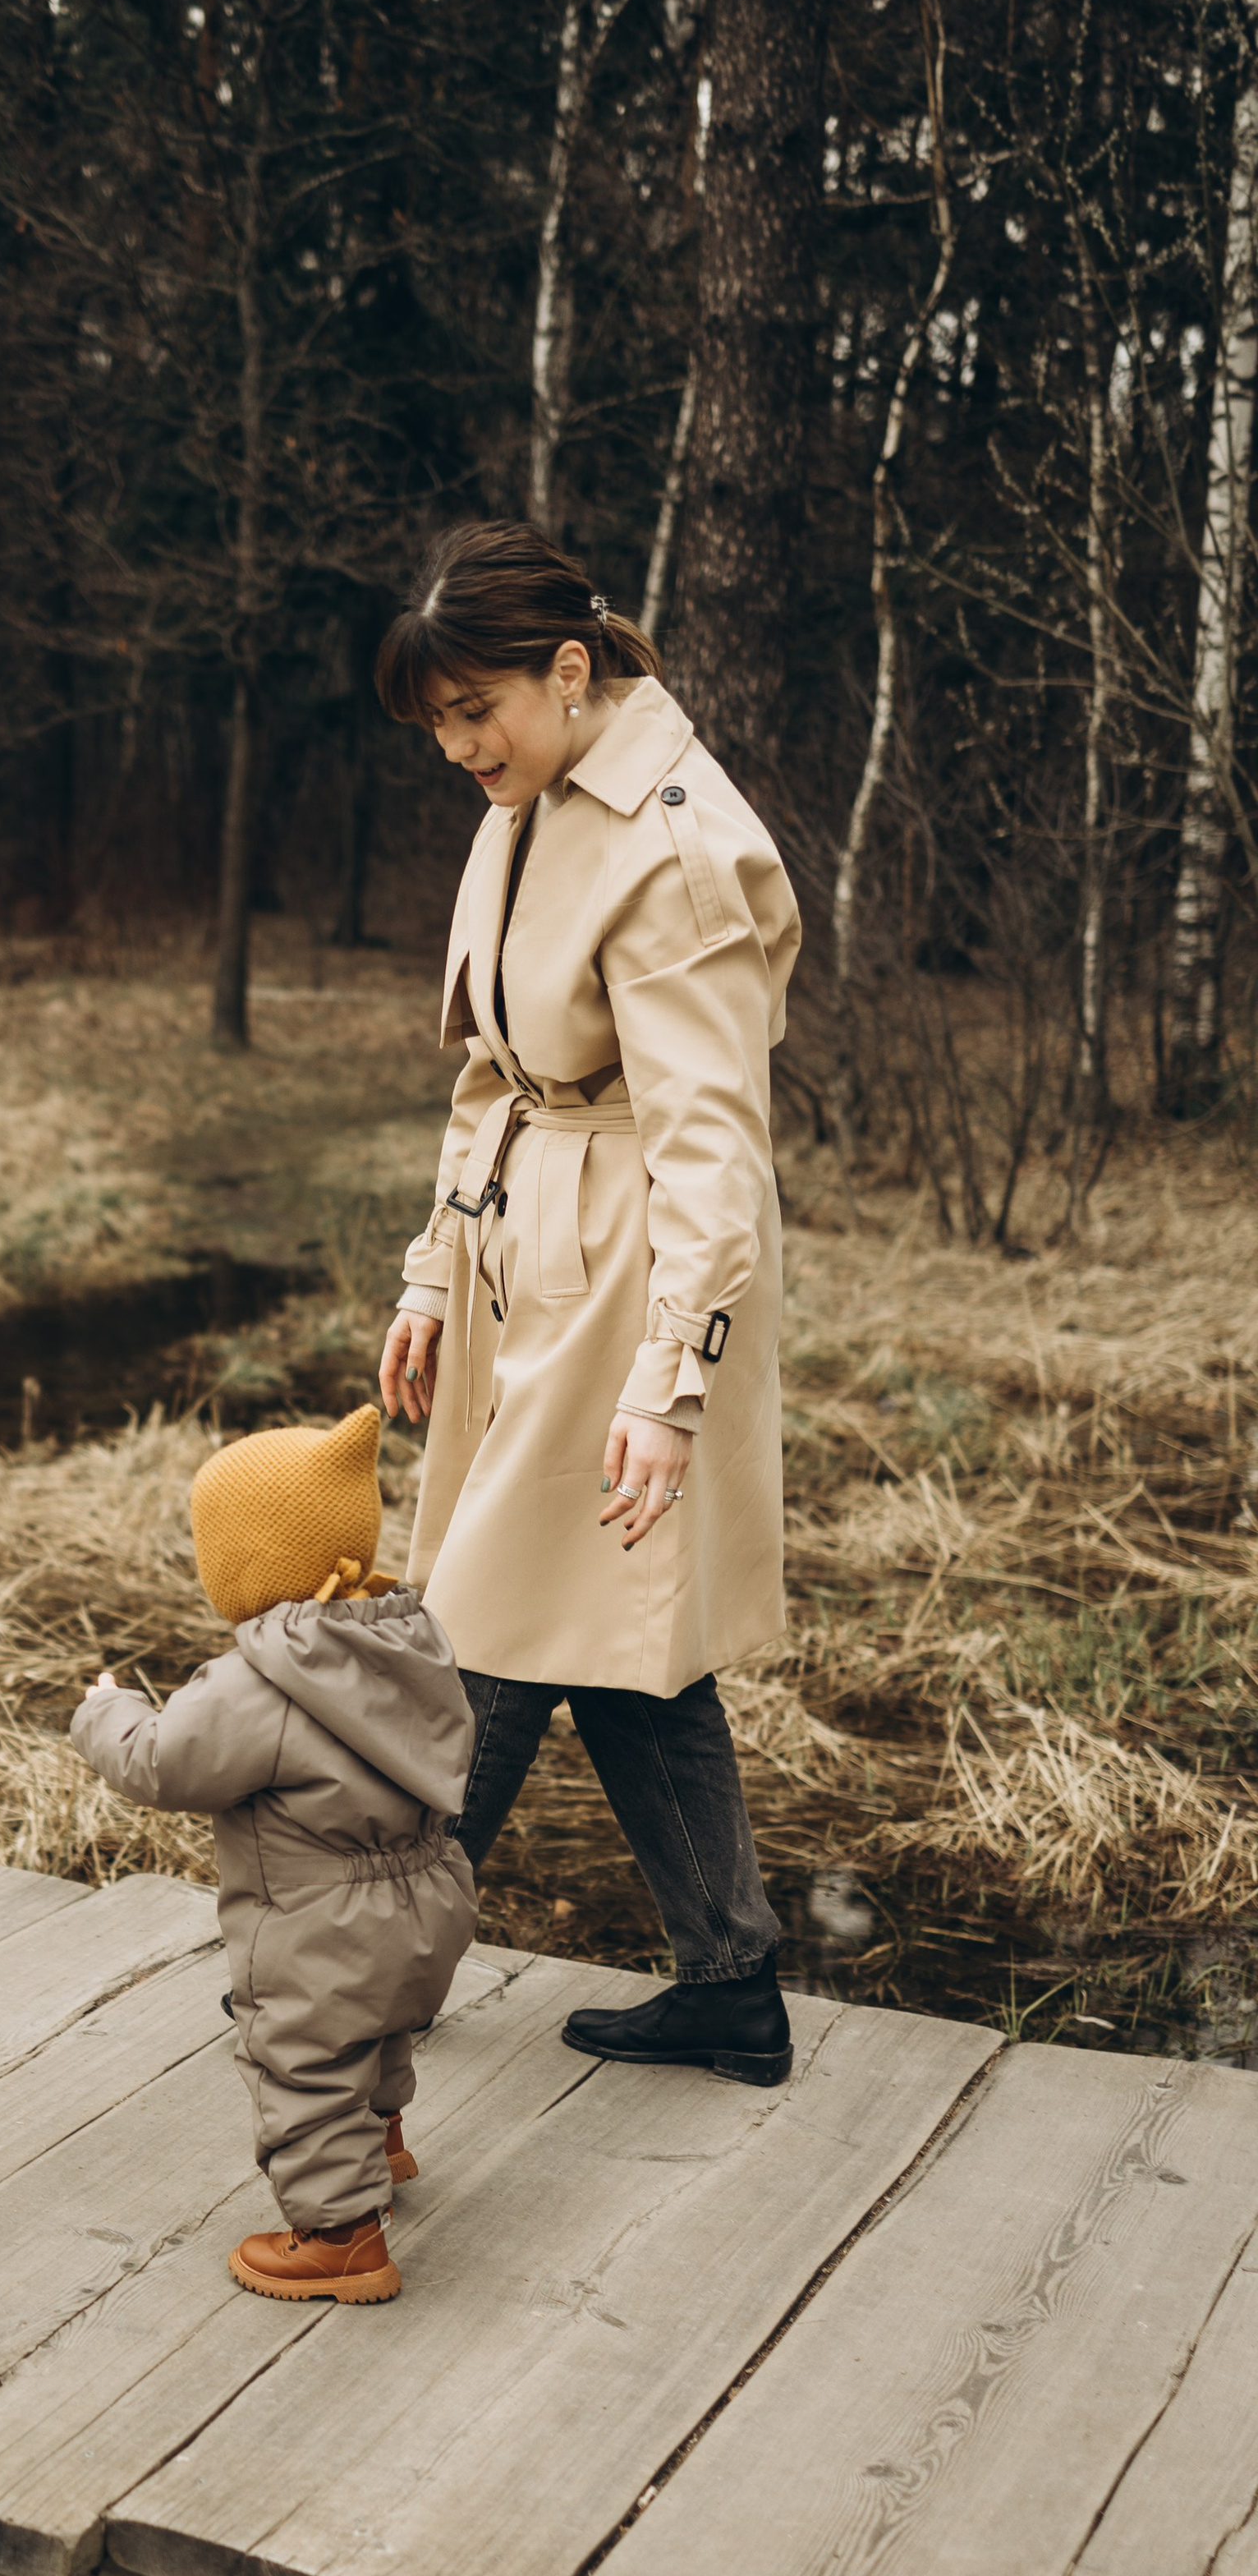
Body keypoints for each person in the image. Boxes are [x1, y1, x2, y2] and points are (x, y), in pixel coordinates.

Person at [375, 517, 799, 2088]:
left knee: (488, 1618)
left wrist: (669, 1381)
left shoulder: (669, 843)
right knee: (616, 1628)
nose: (457, 746)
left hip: (632, 1270)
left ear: (571, 669)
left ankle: (368, 1966)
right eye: (436, 723)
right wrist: (436, 1268)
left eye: (476, 708)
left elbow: (712, 1142)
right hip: (525, 1246)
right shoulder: (532, 798)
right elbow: (495, 1063)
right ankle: (734, 1977)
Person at [70, 1405, 476, 2305]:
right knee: (378, 2026)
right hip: (432, 1894)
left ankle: (340, 2239)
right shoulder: (408, 1636)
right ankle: (382, 2144)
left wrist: (106, 1708)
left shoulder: (263, 1680)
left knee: (302, 2061)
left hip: (318, 1920)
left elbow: (159, 1761)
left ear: (244, 1565)